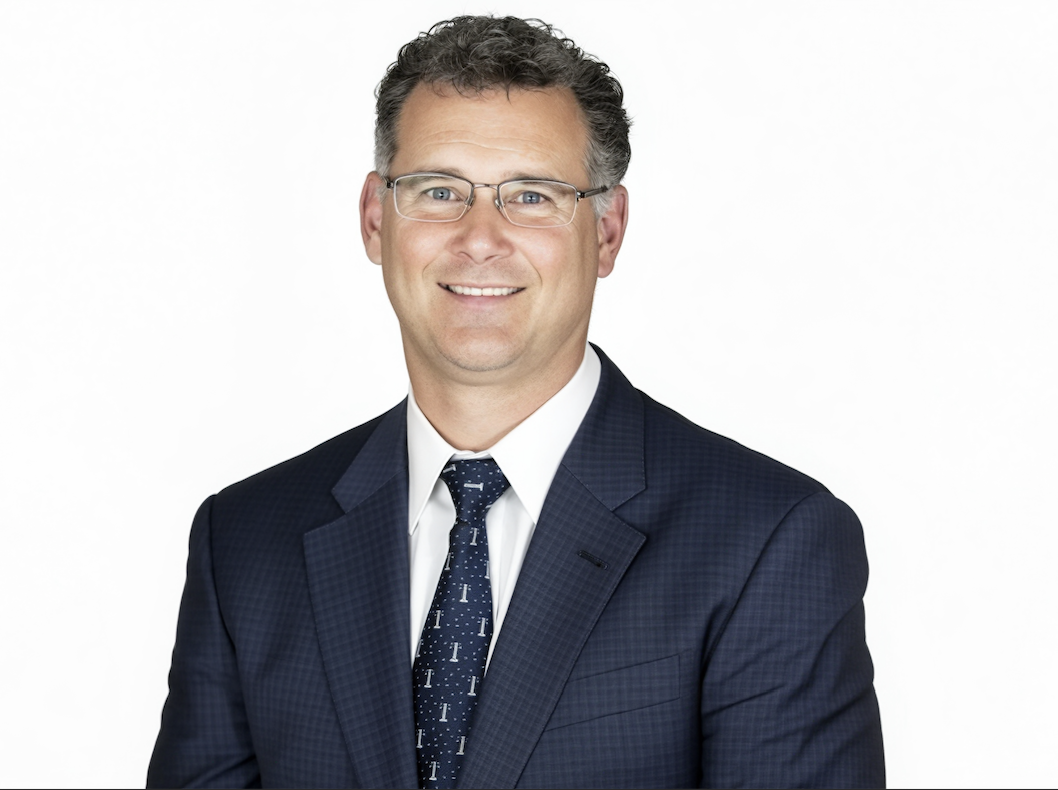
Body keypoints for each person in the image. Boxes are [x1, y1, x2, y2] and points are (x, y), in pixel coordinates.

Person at [148, 15, 884, 789]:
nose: (479, 238)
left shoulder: (767, 542)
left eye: (532, 196)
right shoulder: (246, 541)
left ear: (607, 231)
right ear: (375, 217)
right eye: (438, 191)